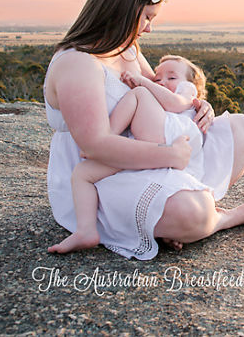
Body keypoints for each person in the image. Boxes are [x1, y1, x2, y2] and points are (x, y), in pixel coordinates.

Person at [43, 0, 244, 259]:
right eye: (147, 17)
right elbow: (94, 145)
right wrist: (170, 155)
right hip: (104, 173)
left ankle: (175, 215)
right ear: (123, 9)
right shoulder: (77, 64)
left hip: (151, 148)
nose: (148, 28)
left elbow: (162, 93)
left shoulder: (128, 49)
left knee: (242, 129)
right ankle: (218, 218)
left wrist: (199, 104)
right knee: (192, 214)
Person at [48, 54, 210, 254]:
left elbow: (176, 103)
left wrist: (143, 82)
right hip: (144, 145)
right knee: (83, 173)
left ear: (192, 84)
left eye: (172, 77)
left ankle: (108, 136)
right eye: (158, 78)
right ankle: (86, 230)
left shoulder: (186, 90)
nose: (162, 82)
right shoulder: (76, 60)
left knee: (139, 93)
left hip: (168, 137)